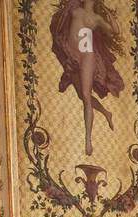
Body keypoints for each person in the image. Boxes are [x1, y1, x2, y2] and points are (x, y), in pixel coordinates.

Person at [50, 0, 124, 156]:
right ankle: (106, 113)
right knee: (83, 96)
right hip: (73, 55)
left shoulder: (96, 18)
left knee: (85, 95)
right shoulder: (75, 11)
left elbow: (115, 31)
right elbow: (60, 20)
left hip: (87, 54)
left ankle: (88, 140)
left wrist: (110, 17)